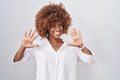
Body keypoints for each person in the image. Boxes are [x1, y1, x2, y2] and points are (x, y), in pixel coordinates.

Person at [13, 2, 95, 80]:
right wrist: (23, 47)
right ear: (46, 26)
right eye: (53, 25)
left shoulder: (72, 46)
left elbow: (90, 59)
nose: (58, 29)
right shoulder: (37, 45)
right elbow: (17, 61)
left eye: (60, 25)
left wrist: (81, 46)